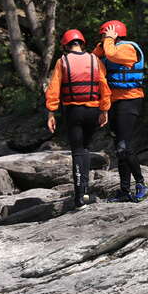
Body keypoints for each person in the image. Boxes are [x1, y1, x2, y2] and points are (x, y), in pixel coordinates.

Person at [45, 29, 110, 210]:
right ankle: (86, 193)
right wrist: (104, 110)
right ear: (82, 43)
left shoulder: (62, 61)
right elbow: (104, 86)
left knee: (77, 152)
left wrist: (51, 113)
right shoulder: (94, 60)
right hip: (92, 111)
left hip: (73, 111)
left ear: (65, 45)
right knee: (86, 149)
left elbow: (54, 89)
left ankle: (79, 197)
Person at [93, 20, 148, 203]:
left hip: (130, 101)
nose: (103, 39)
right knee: (119, 149)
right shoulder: (108, 48)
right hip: (115, 103)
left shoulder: (127, 49)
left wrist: (109, 40)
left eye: (105, 35)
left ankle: (141, 184)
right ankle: (124, 191)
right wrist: (105, 108)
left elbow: (111, 53)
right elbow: (93, 60)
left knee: (124, 146)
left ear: (114, 34)